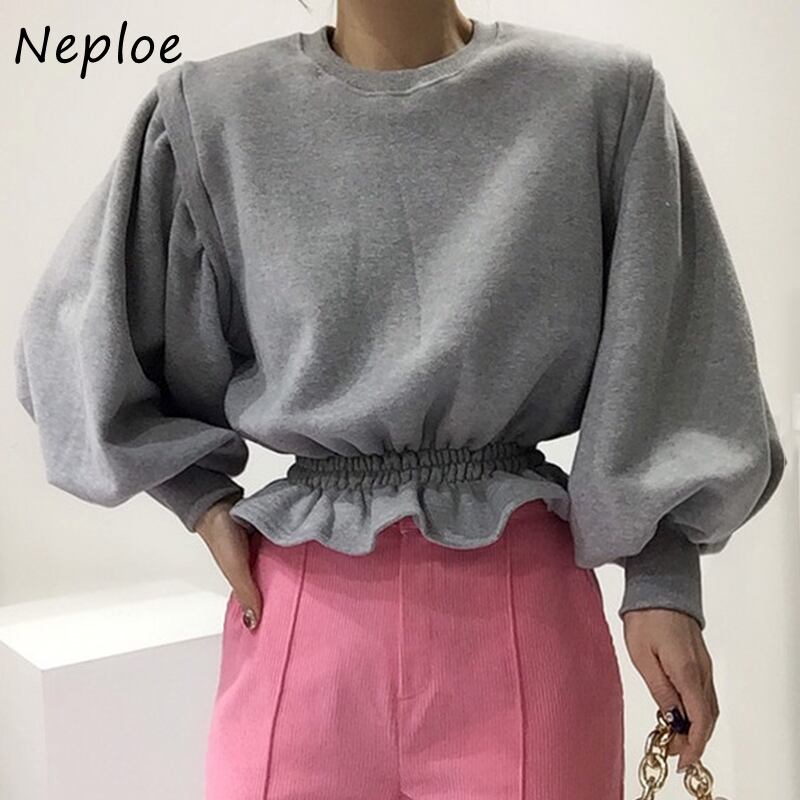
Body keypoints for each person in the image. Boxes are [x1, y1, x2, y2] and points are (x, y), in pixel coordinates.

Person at [14, 2, 787, 798]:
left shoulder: (600, 99)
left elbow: (674, 352)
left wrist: (662, 577)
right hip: (302, 618)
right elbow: (80, 341)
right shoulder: (211, 113)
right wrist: (198, 499)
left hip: (522, 621)